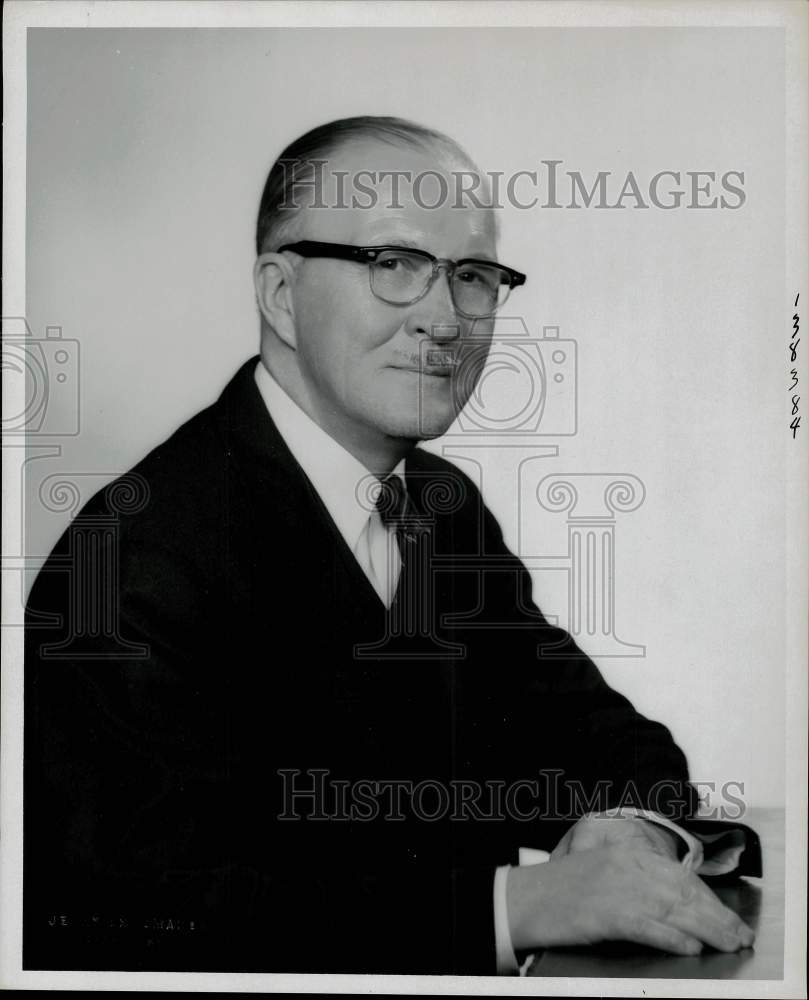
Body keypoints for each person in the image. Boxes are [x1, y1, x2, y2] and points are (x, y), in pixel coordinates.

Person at [24, 116, 759, 976]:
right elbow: (130, 915)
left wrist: (626, 830)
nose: (446, 320)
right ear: (279, 293)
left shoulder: (441, 509)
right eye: (394, 266)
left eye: (473, 277)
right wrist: (516, 905)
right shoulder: (129, 561)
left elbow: (594, 732)